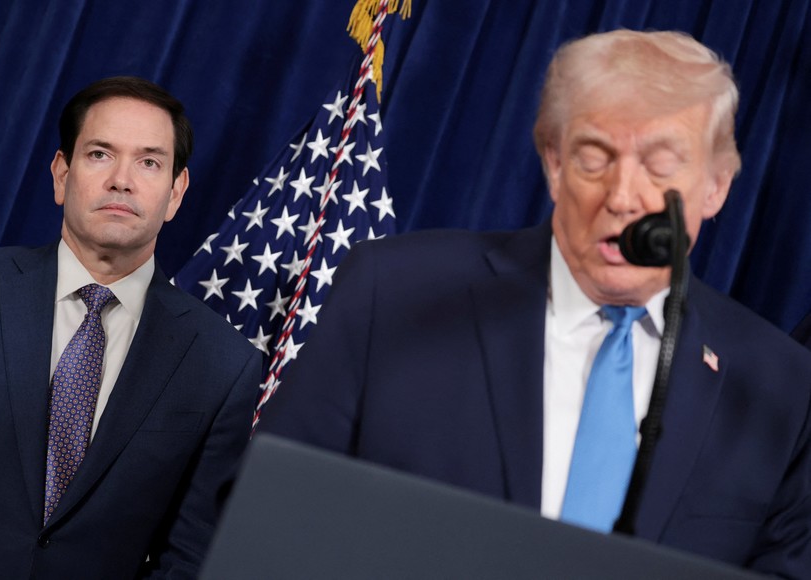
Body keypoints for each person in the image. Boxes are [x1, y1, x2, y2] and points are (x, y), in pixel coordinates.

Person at [256, 30, 811, 577]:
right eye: (595, 157)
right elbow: (267, 516)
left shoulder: (780, 387)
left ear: (716, 186)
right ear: (553, 163)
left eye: (660, 165)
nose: (622, 198)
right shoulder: (396, 292)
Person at [0, 76, 261, 578]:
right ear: (61, 174)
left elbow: (191, 554)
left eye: (150, 162)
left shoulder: (223, 364)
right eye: (99, 154)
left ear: (176, 193)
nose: (122, 180)